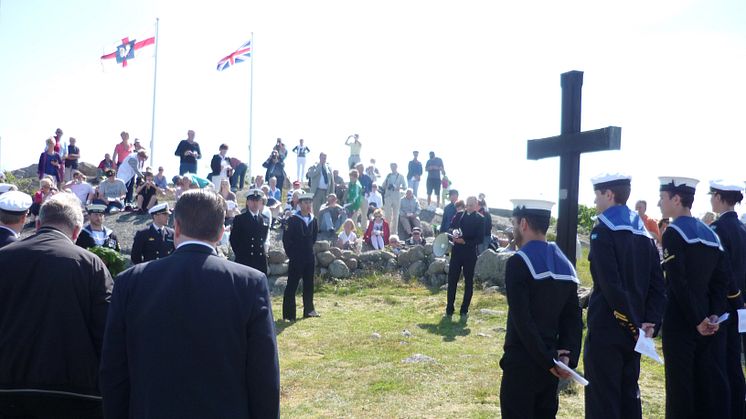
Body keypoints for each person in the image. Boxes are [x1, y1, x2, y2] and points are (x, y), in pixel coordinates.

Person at [100, 190, 279, 418]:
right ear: (220, 233)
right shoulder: (250, 284)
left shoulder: (130, 282)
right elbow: (263, 376)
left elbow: (114, 371)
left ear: (176, 228)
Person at [0, 193, 112, 418]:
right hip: (75, 393)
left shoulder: (4, 257)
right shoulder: (92, 265)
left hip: (7, 388)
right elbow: (106, 332)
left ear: (39, 223)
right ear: (77, 231)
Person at [583, 173, 666, 419]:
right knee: (629, 395)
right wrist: (648, 323)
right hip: (638, 331)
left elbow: (610, 285)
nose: (595, 201)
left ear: (609, 194)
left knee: (603, 400)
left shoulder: (603, 228)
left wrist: (630, 322)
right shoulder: (644, 233)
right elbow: (657, 285)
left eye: (597, 195)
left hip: (609, 327)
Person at [500, 198, 583, 419]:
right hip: (552, 365)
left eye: (514, 223)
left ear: (524, 224)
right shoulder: (565, 264)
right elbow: (573, 318)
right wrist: (567, 356)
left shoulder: (518, 262)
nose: (513, 228)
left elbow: (523, 321)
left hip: (522, 364)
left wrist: (547, 360)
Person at [658, 176, 729, 418]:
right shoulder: (711, 236)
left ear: (676, 199)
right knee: (703, 388)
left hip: (682, 323)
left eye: (663, 197)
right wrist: (713, 315)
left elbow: (678, 283)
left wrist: (697, 319)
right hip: (708, 326)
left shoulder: (673, 233)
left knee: (679, 392)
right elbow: (721, 282)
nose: (659, 203)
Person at [708, 179, 746, 419]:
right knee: (735, 364)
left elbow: (719, 272)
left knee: (720, 364)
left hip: (722, 306)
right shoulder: (743, 229)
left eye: (712, 195)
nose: (711, 199)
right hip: (740, 307)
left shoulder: (718, 230)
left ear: (721, 198)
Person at [282, 193, 319, 321]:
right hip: (296, 257)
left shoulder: (313, 219)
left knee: (309, 284)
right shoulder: (292, 219)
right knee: (292, 285)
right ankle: (289, 314)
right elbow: (286, 240)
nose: (308, 205)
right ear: (299, 204)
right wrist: (292, 254)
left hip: (309, 256)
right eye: (305, 202)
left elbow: (313, 237)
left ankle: (309, 310)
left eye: (310, 202)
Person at [445, 196, 483, 318]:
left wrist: (465, 241)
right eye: (468, 204)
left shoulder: (480, 219)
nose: (469, 206)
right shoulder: (459, 215)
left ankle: (464, 310)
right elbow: (451, 228)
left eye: (472, 204)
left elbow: (480, 239)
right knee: (452, 280)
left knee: (468, 282)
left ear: (476, 204)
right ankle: (449, 308)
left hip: (470, 253)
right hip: (456, 252)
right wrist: (454, 236)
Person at [230, 189, 271, 275]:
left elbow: (263, 240)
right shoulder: (239, 219)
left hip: (260, 261)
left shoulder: (265, 219)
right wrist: (241, 255)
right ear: (247, 202)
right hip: (245, 260)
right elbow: (233, 240)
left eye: (257, 201)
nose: (255, 203)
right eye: (252, 201)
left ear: (260, 202)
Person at [381, 162, 407, 234]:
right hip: (388, 196)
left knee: (395, 215)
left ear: (396, 167)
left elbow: (405, 187)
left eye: (394, 166)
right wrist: (387, 186)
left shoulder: (400, 176)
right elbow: (383, 185)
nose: (392, 168)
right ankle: (386, 231)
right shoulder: (388, 175)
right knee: (387, 215)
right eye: (391, 167)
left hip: (396, 196)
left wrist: (398, 187)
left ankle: (394, 232)